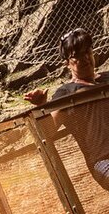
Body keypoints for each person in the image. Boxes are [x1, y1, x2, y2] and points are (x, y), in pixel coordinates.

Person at [25, 28, 109, 189]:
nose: (84, 58)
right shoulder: (67, 92)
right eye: (76, 55)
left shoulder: (107, 78)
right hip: (103, 160)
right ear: (66, 62)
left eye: (87, 51)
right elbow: (48, 131)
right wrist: (42, 106)